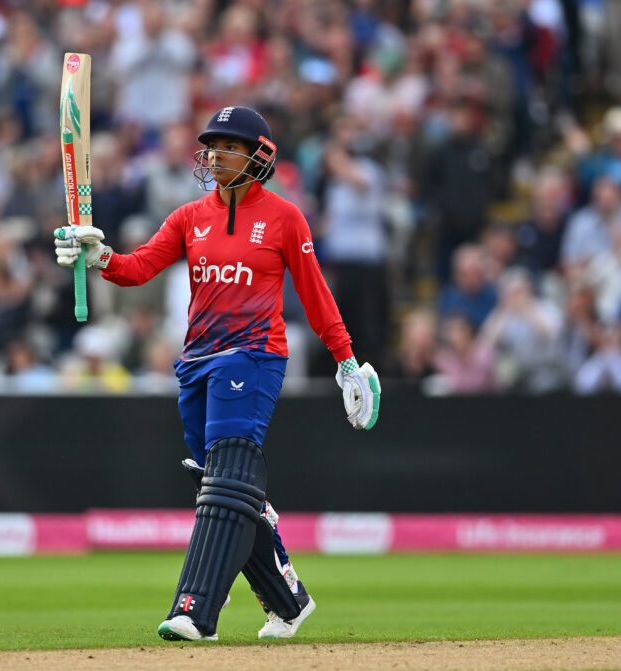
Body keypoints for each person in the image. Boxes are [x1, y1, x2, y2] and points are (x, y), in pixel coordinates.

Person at [53, 106, 380, 642]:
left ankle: (195, 608)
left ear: (259, 155)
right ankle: (288, 599)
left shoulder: (283, 217)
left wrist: (345, 361)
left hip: (253, 355)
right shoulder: (188, 217)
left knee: (227, 473)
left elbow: (315, 293)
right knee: (223, 486)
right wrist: (99, 254)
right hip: (197, 361)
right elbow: (138, 269)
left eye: (229, 145)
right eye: (212, 146)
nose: (215, 155)